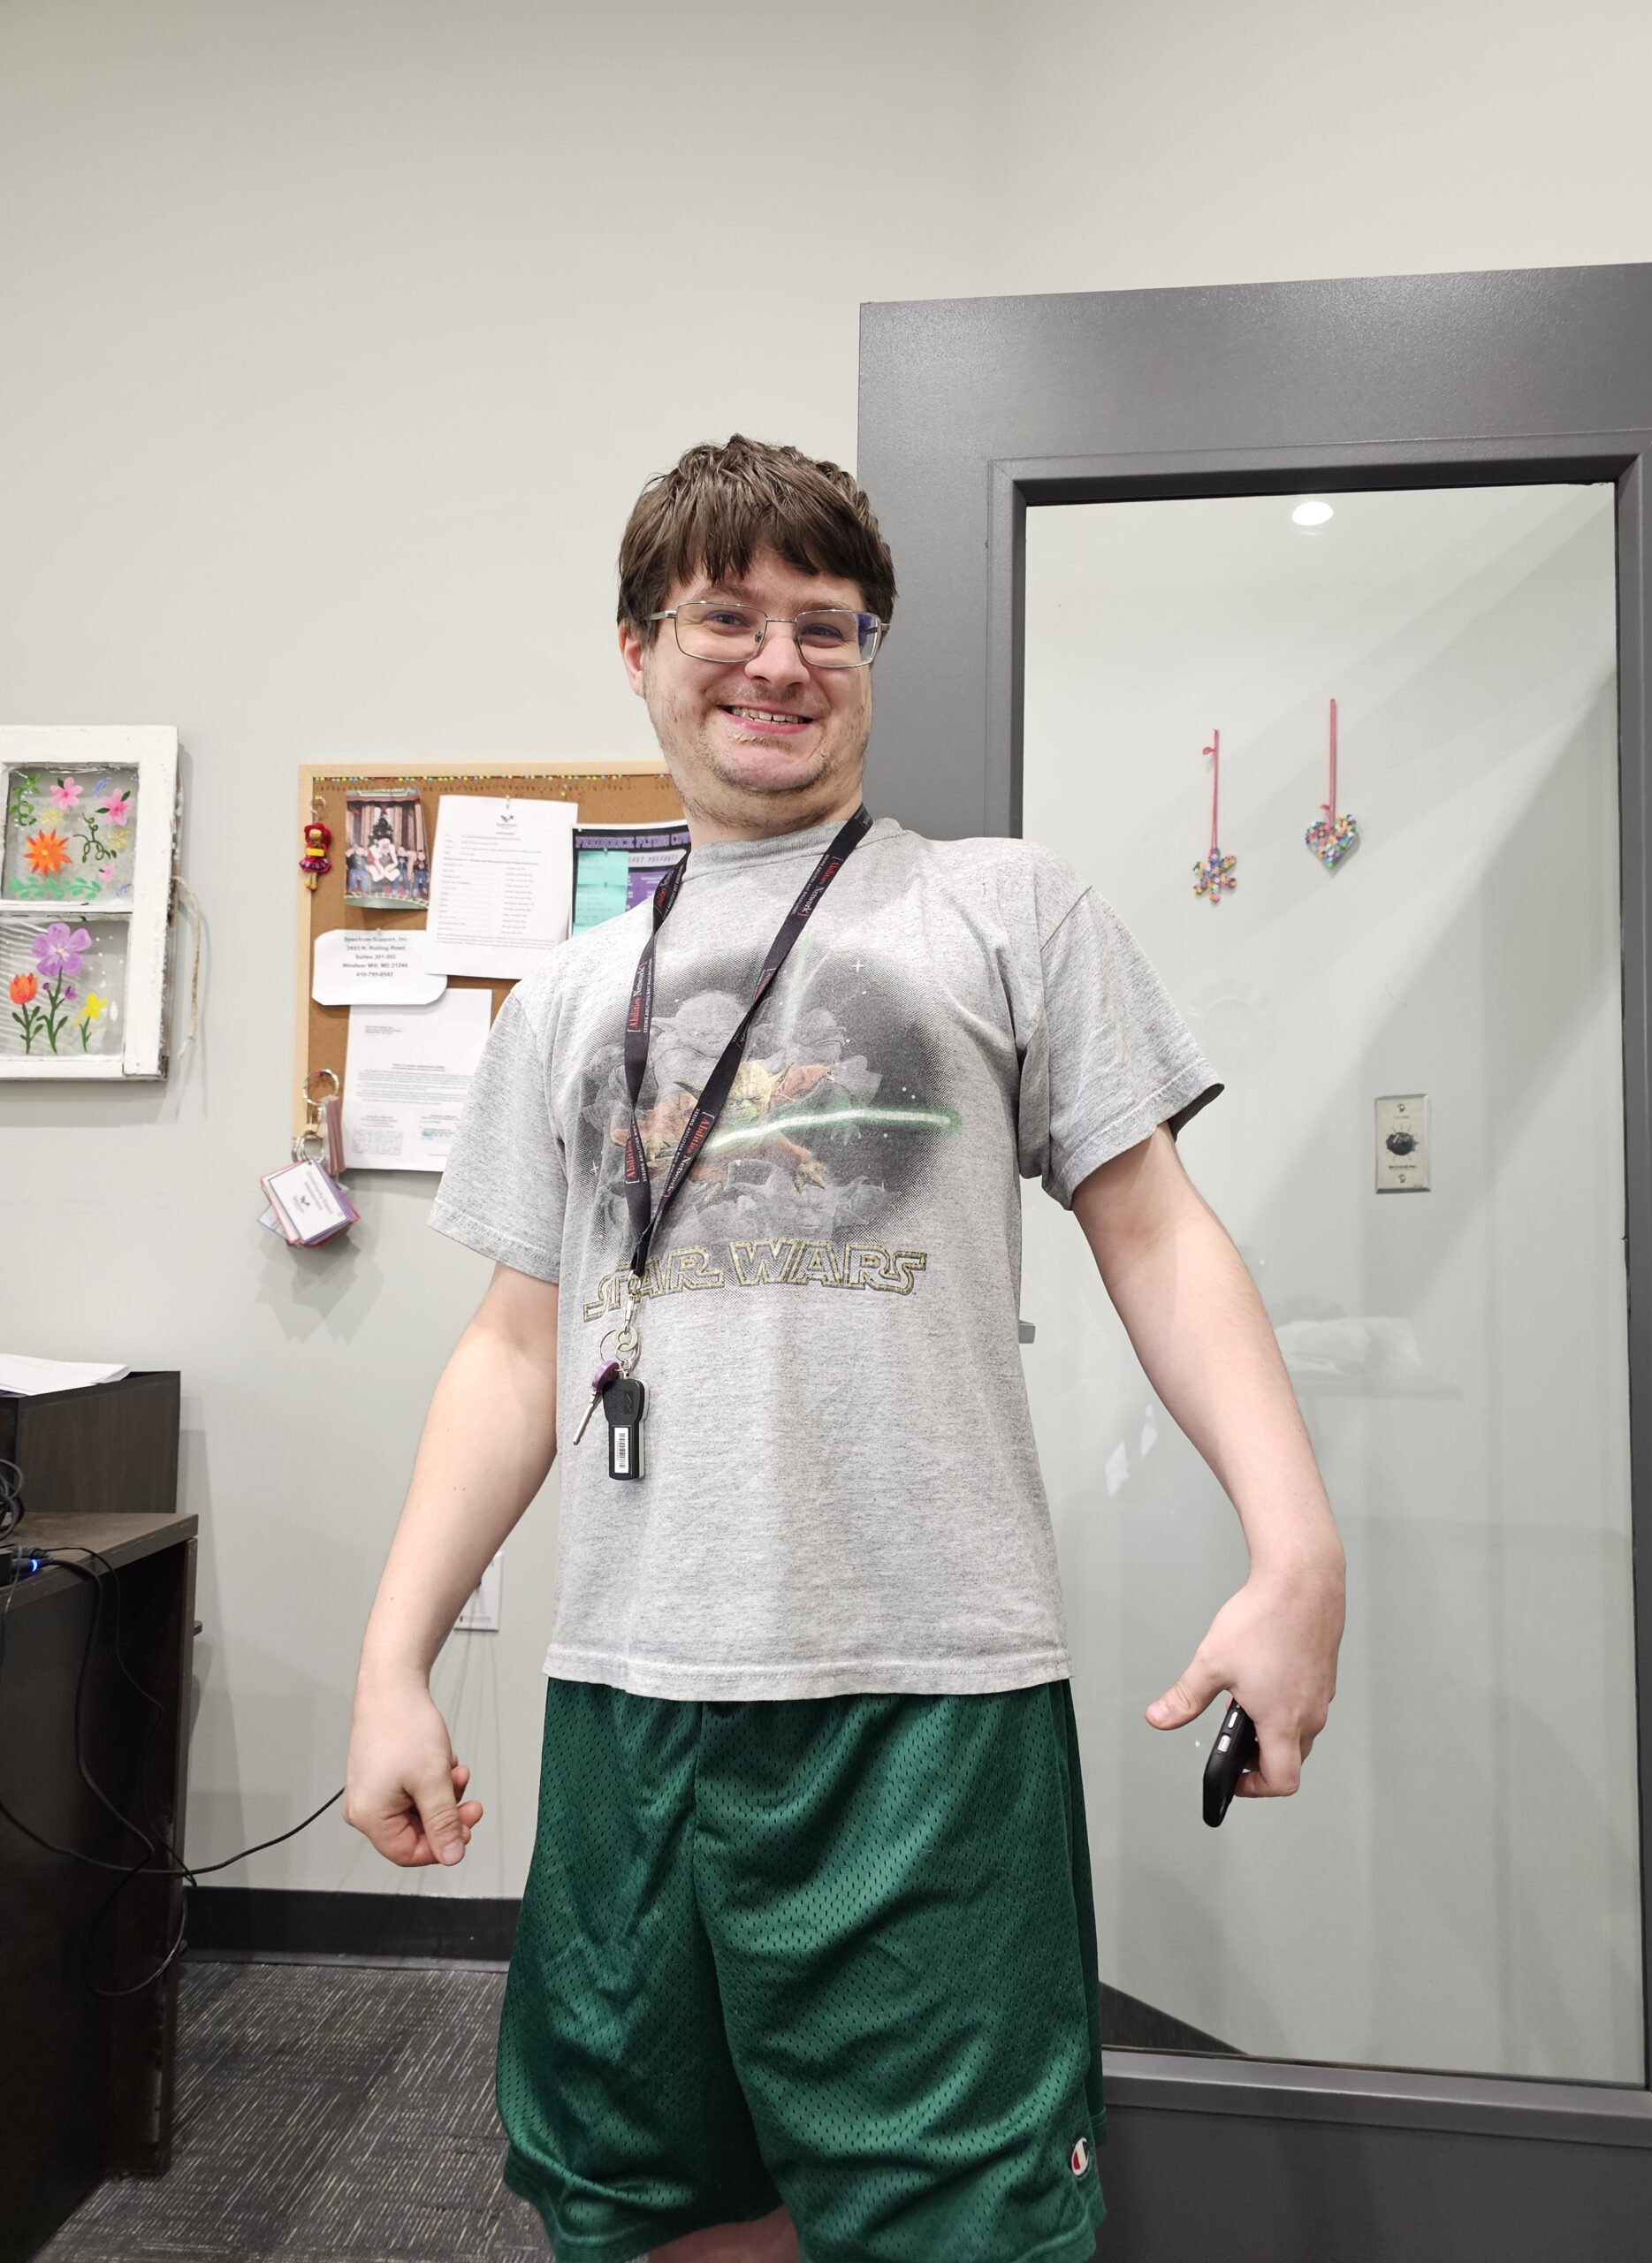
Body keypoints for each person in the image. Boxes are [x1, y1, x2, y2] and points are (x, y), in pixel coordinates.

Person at [345, 435, 1345, 2263]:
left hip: (930, 1701)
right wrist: (392, 1656)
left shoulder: (1006, 910)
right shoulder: (570, 992)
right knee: (657, 2196)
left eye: (829, 622)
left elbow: (1159, 1232)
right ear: (640, 647)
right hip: (632, 1704)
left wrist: (1297, 1546)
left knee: (952, 2216)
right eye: (728, 614)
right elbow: (512, 1349)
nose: (780, 662)